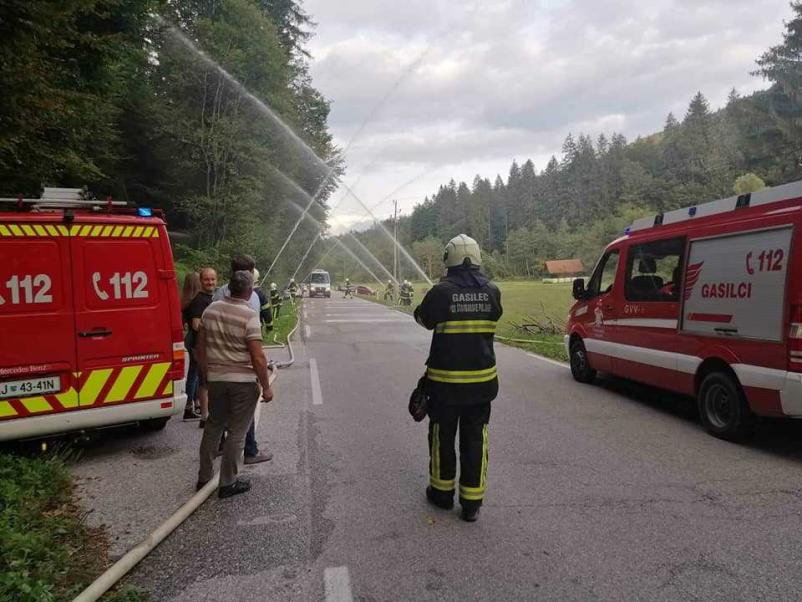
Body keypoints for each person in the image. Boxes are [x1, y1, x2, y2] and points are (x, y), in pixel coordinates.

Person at [413, 234, 502, 522]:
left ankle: (441, 494)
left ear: (448, 257)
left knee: (442, 436)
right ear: (477, 257)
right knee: (476, 439)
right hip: (481, 385)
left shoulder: (441, 292)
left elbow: (424, 319)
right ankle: (471, 503)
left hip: (445, 384)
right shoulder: (492, 291)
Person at [195, 270, 274, 498]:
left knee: (213, 428)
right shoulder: (249, 316)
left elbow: (200, 348)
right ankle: (227, 483)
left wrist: (207, 374)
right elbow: (258, 357)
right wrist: (266, 387)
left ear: (228, 288)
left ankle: (204, 478)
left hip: (216, 380)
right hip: (242, 383)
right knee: (237, 432)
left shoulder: (210, 311)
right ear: (249, 291)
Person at [212, 255, 270, 464]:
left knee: (216, 419)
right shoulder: (251, 296)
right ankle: (249, 452)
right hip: (242, 368)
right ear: (249, 273)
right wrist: (265, 385)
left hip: (216, 368)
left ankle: (210, 461)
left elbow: (206, 336)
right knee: (243, 417)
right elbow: (253, 345)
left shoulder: (217, 295)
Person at [184, 267, 218, 425]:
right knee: (202, 379)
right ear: (201, 281)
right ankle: (200, 412)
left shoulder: (208, 298)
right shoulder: (200, 300)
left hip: (203, 344)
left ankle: (200, 407)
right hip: (199, 345)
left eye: (212, 279)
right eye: (207, 279)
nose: (210, 282)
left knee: (202, 378)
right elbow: (197, 325)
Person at [181, 271, 202, 419]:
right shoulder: (197, 301)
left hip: (189, 338)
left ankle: (196, 402)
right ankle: (189, 405)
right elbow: (196, 325)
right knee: (194, 374)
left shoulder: (185, 301)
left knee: (194, 373)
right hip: (196, 339)